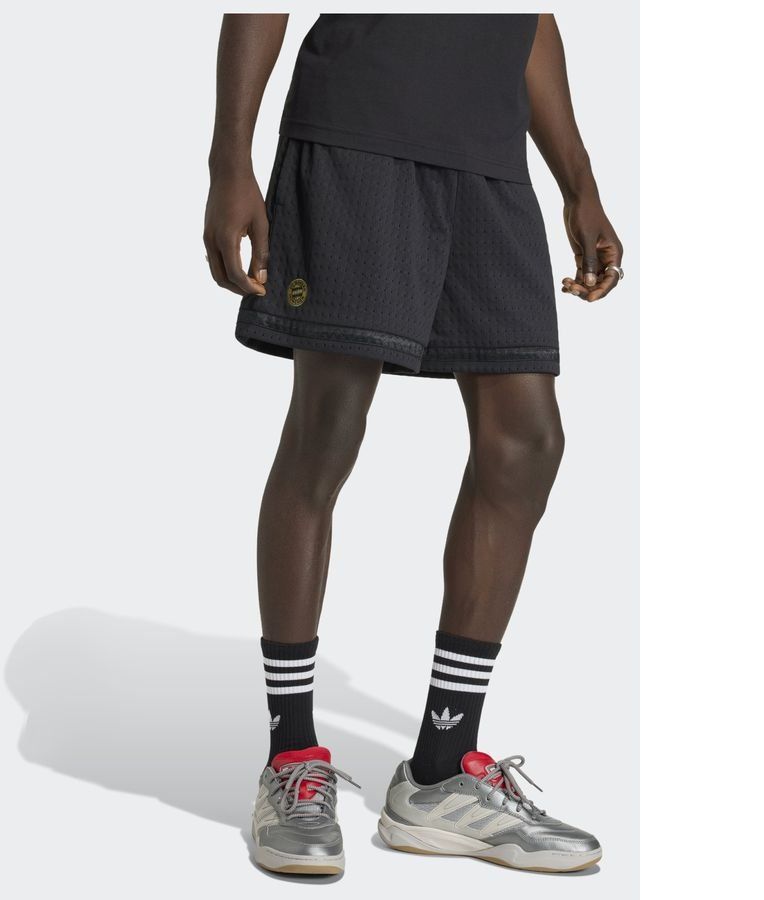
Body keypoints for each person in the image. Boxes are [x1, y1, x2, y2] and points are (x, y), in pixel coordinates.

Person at [204, 13, 623, 876]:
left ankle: (440, 771)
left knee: (528, 442)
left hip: (489, 154)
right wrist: (227, 161)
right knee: (327, 428)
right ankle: (291, 757)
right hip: (359, 131)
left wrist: (578, 184)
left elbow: (530, 17)